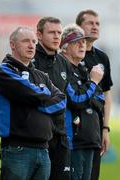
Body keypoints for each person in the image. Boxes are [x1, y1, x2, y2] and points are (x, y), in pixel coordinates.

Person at [0, 26, 66, 180]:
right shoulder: (3, 71)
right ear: (12, 44)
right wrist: (43, 95)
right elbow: (33, 95)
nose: (31, 45)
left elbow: (61, 101)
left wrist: (37, 101)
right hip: (17, 150)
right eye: (26, 41)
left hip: (43, 149)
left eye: (34, 41)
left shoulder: (42, 76)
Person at [60, 24, 105, 180]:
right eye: (76, 42)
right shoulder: (63, 69)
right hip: (74, 141)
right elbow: (76, 100)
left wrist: (89, 89)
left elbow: (100, 100)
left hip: (90, 139)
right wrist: (92, 83)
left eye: (84, 42)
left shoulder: (84, 70)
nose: (82, 45)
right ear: (64, 47)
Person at [76, 9, 113, 180]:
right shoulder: (70, 54)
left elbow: (107, 94)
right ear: (79, 27)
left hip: (95, 131)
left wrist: (105, 129)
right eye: (90, 23)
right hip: (74, 130)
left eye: (97, 23)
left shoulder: (102, 57)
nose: (95, 26)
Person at [33, 16, 71, 180]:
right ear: (39, 35)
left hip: (60, 137)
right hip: (37, 137)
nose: (57, 37)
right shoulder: (29, 60)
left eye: (59, 33)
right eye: (52, 32)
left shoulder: (64, 62)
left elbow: (67, 96)